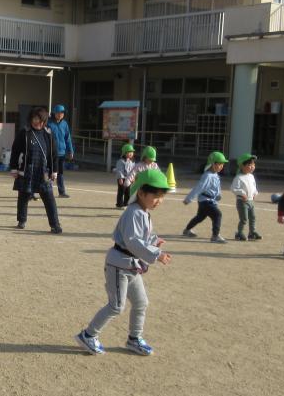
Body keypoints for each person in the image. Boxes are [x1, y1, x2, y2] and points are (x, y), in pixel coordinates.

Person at [75, 168, 172, 356]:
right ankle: (88, 335)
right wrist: (156, 253)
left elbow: (140, 238)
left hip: (132, 265)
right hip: (119, 265)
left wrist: (153, 241)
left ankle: (134, 338)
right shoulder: (134, 212)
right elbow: (133, 241)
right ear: (142, 193)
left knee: (141, 303)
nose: (160, 200)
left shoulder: (142, 212)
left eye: (162, 196)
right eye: (156, 195)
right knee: (116, 306)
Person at [9, 107, 62, 233]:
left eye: (38, 119)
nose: (35, 121)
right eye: (33, 118)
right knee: (23, 196)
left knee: (49, 198)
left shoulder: (48, 134)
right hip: (27, 170)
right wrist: (14, 168)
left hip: (44, 171)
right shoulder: (24, 132)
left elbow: (54, 154)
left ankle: (55, 225)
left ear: (43, 120)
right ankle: (21, 220)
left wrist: (54, 171)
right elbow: (15, 151)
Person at [182, 151, 227, 243]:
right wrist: (189, 198)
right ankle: (215, 236)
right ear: (213, 164)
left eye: (223, 164)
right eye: (220, 164)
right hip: (206, 201)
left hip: (209, 200)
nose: (222, 166)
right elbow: (199, 188)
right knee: (217, 214)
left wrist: (218, 195)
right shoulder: (207, 176)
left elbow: (216, 187)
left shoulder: (214, 174)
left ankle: (187, 230)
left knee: (200, 217)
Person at [231, 152, 261, 241]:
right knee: (244, 218)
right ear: (242, 166)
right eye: (249, 164)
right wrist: (241, 193)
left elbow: (254, 186)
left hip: (251, 201)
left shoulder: (251, 176)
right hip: (242, 201)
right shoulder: (238, 177)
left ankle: (252, 232)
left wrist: (255, 193)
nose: (252, 166)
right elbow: (233, 188)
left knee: (253, 217)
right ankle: (239, 233)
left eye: (253, 164)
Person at [47, 104, 75, 198]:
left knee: (60, 173)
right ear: (54, 113)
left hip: (62, 153)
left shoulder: (65, 124)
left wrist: (70, 150)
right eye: (58, 113)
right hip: (51, 153)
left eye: (62, 113)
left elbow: (68, 138)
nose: (60, 114)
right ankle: (48, 192)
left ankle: (62, 192)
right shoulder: (49, 124)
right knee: (51, 172)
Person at [114, 143, 137, 208]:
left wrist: (133, 177)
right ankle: (119, 204)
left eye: (132, 152)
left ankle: (126, 204)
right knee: (121, 191)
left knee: (128, 192)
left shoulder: (132, 162)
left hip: (129, 179)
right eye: (129, 152)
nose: (131, 153)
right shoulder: (121, 161)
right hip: (123, 178)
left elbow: (133, 170)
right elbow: (119, 170)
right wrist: (120, 178)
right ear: (124, 153)